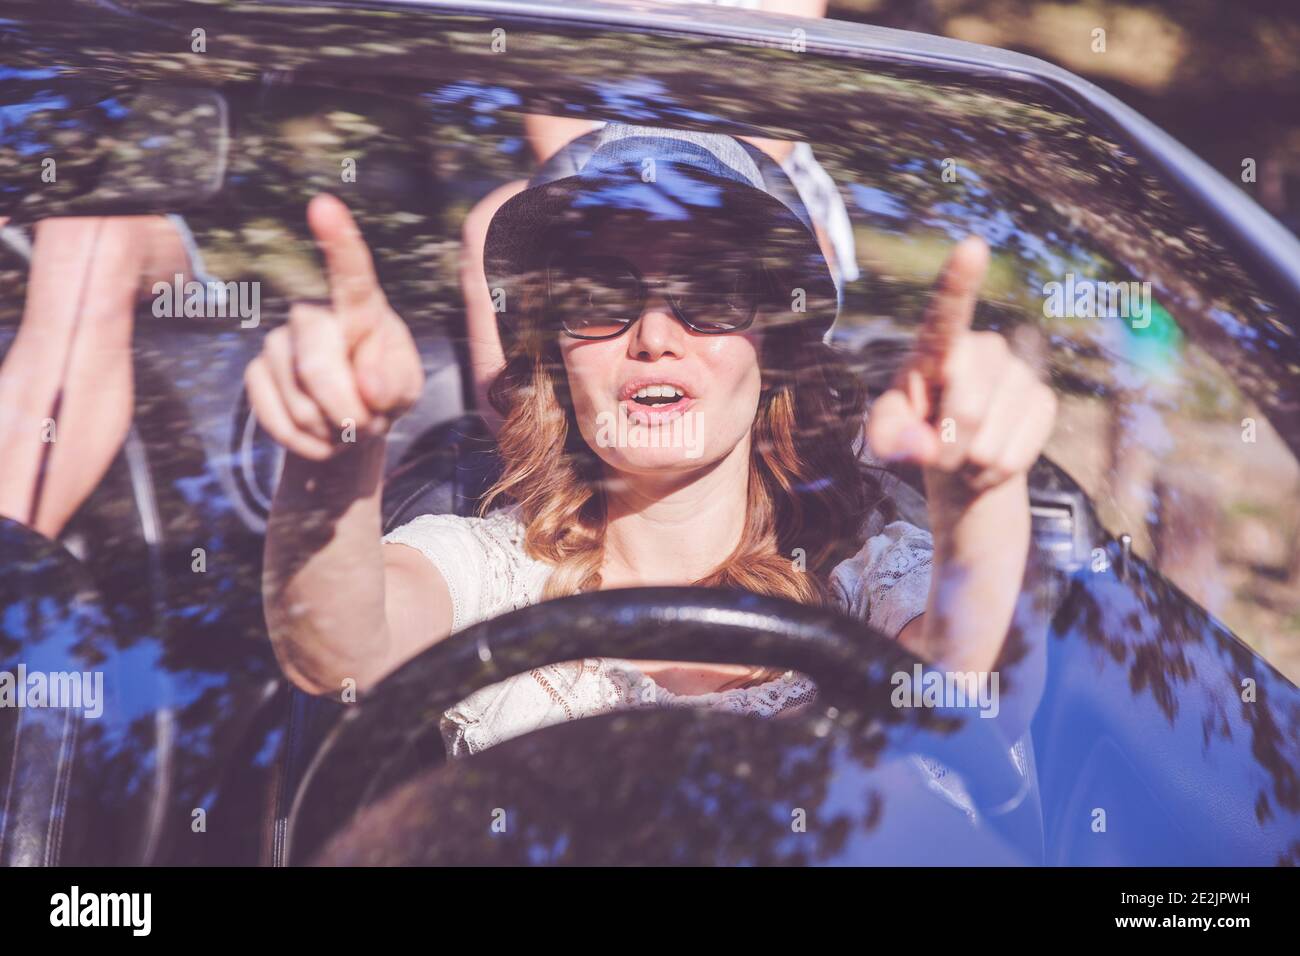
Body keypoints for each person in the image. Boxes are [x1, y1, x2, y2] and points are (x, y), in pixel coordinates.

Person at [248, 123, 1057, 761]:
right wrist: (337, 457)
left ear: (775, 350)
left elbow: (975, 684)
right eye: (600, 295)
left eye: (710, 292)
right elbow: (339, 649)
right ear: (554, 356)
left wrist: (982, 499)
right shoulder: (490, 572)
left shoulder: (867, 581)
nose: (654, 334)